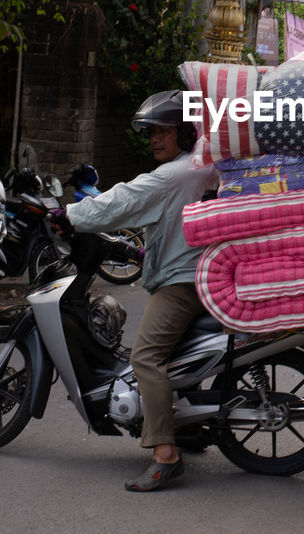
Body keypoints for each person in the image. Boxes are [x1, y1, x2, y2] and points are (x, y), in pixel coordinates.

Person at [63, 90, 216, 492]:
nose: (154, 139)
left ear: (185, 133)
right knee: (176, 353)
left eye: (164, 131)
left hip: (182, 282)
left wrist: (67, 215)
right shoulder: (204, 165)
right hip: (204, 274)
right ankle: (192, 427)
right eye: (152, 132)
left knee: (146, 357)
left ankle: (165, 454)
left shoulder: (173, 176)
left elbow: (119, 203)